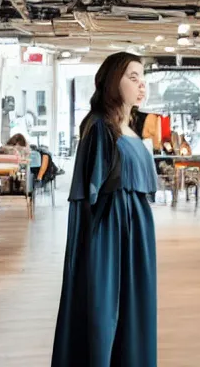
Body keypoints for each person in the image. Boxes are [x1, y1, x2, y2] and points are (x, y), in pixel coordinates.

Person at [51, 52, 158, 367]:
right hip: (113, 232)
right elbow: (89, 194)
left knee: (133, 309)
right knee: (105, 310)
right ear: (114, 82)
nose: (141, 84)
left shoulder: (128, 128)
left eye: (143, 77)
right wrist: (93, 248)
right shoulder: (100, 127)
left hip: (135, 234)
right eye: (132, 77)